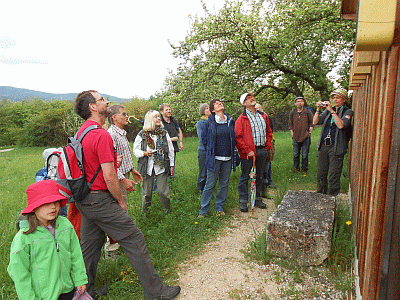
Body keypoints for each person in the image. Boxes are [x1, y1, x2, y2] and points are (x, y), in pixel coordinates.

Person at [73, 91, 180, 300]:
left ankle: (85, 292)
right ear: (92, 107)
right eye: (101, 99)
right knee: (134, 238)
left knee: (89, 247)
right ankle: (156, 292)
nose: (106, 101)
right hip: (99, 198)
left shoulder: (82, 133)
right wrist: (120, 201)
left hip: (84, 199)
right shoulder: (100, 134)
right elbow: (109, 175)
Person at [8, 180, 88, 300]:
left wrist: (80, 279)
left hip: (68, 290)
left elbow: (76, 255)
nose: (53, 207)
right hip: (42, 296)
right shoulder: (24, 238)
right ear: (34, 207)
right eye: (46, 203)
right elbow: (19, 273)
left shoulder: (65, 225)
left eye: (56, 202)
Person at [106, 104, 143, 256]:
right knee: (117, 211)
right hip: (116, 178)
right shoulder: (111, 135)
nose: (127, 116)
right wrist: (123, 180)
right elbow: (110, 164)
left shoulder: (121, 133)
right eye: (123, 114)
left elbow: (123, 156)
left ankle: (122, 244)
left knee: (122, 209)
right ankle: (111, 250)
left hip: (123, 174)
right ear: (114, 117)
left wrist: (132, 170)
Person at [198, 99, 239, 217]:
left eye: (221, 102)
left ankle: (219, 207)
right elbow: (204, 141)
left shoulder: (230, 121)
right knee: (210, 184)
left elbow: (234, 138)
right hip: (214, 159)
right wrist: (211, 153)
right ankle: (203, 211)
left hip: (228, 158)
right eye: (216, 103)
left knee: (224, 184)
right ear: (212, 110)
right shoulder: (208, 123)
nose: (220, 103)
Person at [235, 93, 273, 212]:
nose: (251, 99)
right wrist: (247, 151)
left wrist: (267, 147)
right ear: (244, 104)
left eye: (251, 97)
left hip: (262, 150)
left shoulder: (263, 116)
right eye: (248, 98)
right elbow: (238, 137)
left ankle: (257, 199)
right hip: (249, 152)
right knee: (245, 177)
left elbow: (269, 132)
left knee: (260, 176)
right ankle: (243, 201)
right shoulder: (242, 119)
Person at [313, 87, 354, 196]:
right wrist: (318, 110)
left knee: (334, 175)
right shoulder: (327, 110)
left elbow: (341, 125)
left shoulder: (347, 111)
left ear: (344, 100)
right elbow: (315, 121)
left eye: (338, 98)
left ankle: (332, 198)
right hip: (324, 146)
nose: (335, 100)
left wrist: (332, 111)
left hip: (337, 147)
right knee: (321, 173)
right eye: (334, 98)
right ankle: (321, 196)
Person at [133, 110, 175, 213]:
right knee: (147, 193)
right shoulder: (142, 134)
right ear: (149, 120)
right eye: (156, 117)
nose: (159, 118)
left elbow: (170, 150)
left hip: (161, 166)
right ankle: (145, 215)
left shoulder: (164, 133)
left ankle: (167, 213)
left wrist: (172, 165)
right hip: (146, 167)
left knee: (163, 192)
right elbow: (135, 150)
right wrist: (144, 153)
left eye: (158, 116)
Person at [288, 96, 314, 175]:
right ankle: (296, 168)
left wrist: (309, 133)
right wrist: (292, 133)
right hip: (296, 137)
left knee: (305, 155)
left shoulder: (308, 112)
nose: (300, 102)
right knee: (296, 155)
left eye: (301, 101)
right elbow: (290, 124)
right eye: (298, 101)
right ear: (295, 103)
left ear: (303, 103)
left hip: (305, 137)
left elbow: (312, 123)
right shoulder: (292, 112)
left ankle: (304, 169)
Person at [160, 103, 183, 179]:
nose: (169, 111)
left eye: (169, 109)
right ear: (162, 112)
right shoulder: (159, 122)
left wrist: (180, 142)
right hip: (162, 149)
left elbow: (179, 131)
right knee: (161, 168)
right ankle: (159, 187)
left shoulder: (174, 121)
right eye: (166, 110)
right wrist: (173, 139)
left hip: (173, 148)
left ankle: (171, 185)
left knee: (172, 167)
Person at [196, 103, 212, 195]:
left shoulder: (213, 121)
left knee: (210, 172)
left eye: (209, 108)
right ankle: (200, 192)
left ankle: (208, 190)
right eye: (206, 108)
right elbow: (202, 137)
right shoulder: (200, 123)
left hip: (212, 151)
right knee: (203, 172)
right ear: (203, 111)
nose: (209, 109)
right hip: (203, 150)